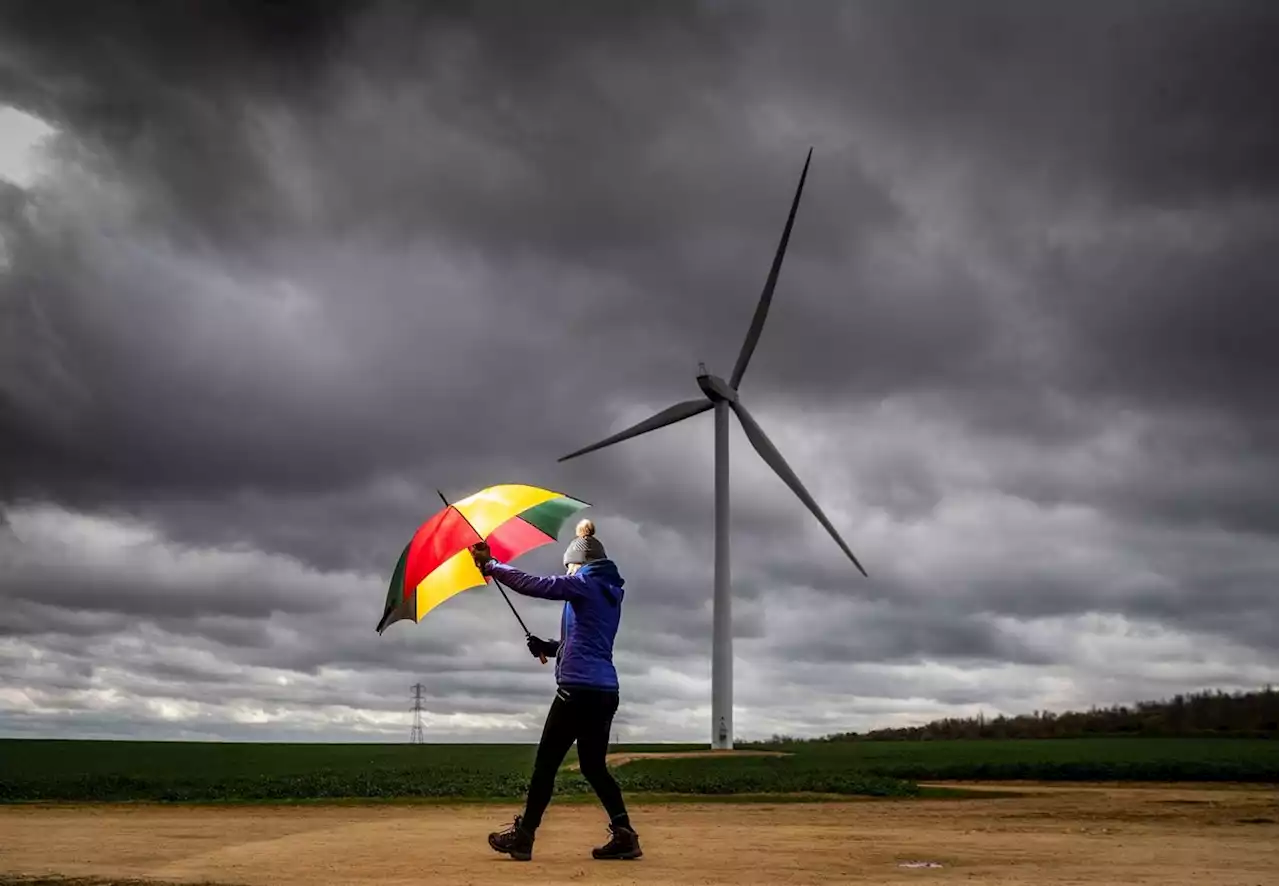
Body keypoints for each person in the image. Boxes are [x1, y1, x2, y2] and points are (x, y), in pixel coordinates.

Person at [468, 518, 642, 862]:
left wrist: (490, 565)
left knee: (545, 766)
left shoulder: (584, 583)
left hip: (576, 691)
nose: (567, 573)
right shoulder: (609, 592)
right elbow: (588, 643)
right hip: (605, 691)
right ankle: (625, 835)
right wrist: (550, 647)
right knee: (593, 766)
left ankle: (524, 837)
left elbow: (536, 584)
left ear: (577, 564)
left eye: (568, 568)